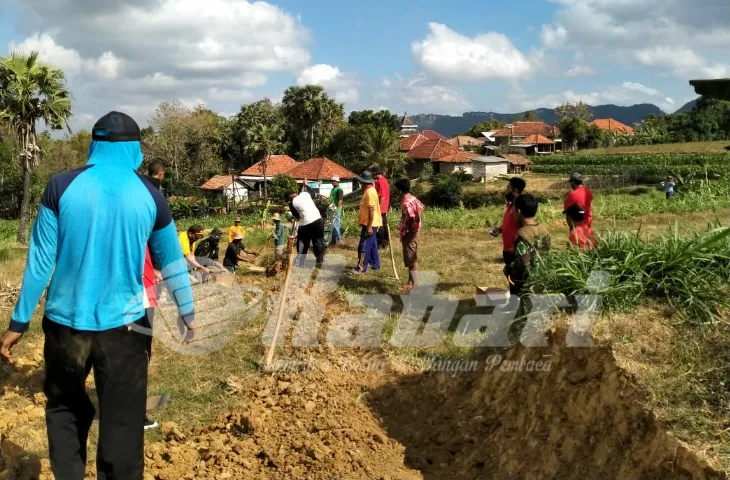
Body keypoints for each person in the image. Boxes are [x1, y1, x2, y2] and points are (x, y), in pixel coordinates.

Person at [0, 112, 195, 480]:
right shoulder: (151, 196)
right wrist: (187, 311)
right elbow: (171, 260)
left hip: (65, 327)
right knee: (122, 423)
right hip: (126, 329)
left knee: (65, 411)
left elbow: (40, 262)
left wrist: (18, 322)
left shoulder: (60, 187)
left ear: (94, 144)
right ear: (136, 150)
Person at [504, 194, 551, 296]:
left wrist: (508, 269)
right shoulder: (544, 230)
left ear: (519, 212)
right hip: (543, 279)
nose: (512, 212)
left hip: (528, 284)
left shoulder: (522, 234)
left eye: (514, 210)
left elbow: (522, 264)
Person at [395, 178, 424, 292]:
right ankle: (410, 282)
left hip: (410, 233)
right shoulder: (413, 198)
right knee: (410, 258)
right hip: (413, 232)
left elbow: (412, 217)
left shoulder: (405, 202)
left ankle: (414, 284)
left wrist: (411, 228)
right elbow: (421, 207)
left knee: (411, 259)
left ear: (400, 191)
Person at [490, 177, 526, 266]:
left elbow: (526, 225)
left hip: (515, 250)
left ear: (515, 190)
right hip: (507, 248)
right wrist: (499, 229)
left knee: (516, 278)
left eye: (508, 188)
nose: (506, 191)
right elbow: (511, 223)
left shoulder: (520, 206)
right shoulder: (510, 205)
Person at [287, 185, 325, 264]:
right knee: (318, 239)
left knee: (302, 242)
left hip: (306, 223)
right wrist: (306, 185)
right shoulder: (305, 194)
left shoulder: (292, 203)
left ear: (290, 197)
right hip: (318, 219)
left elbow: (297, 217)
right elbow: (314, 193)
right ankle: (320, 259)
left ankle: (300, 261)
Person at [354, 171, 382, 272]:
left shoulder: (370, 192)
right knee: (373, 244)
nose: (360, 184)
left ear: (364, 182)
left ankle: (362, 267)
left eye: (361, 182)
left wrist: (369, 226)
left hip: (369, 223)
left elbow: (371, 210)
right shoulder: (369, 190)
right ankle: (375, 264)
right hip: (368, 223)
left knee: (364, 246)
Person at [372, 165, 390, 249]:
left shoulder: (380, 182)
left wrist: (378, 207)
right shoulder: (384, 180)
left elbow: (382, 196)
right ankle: (386, 241)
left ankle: (381, 242)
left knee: (380, 226)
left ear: (376, 174)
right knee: (384, 224)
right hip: (384, 206)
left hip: (381, 207)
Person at [329, 175, 344, 245]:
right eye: (332, 181)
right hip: (332, 208)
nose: (332, 182)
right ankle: (334, 239)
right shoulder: (333, 189)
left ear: (337, 182)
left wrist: (337, 209)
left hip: (336, 209)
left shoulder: (339, 190)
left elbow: (340, 200)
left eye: (334, 181)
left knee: (336, 225)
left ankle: (337, 240)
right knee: (332, 224)